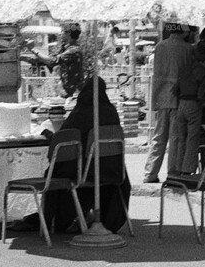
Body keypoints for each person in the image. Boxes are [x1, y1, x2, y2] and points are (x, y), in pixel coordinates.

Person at [14, 77, 131, 235]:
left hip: (83, 173)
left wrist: (47, 133)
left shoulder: (79, 114)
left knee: (57, 171)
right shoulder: (111, 113)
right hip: (112, 172)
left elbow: (63, 140)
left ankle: (56, 219)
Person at [143, 23, 195, 183]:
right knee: (175, 139)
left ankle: (150, 173)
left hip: (161, 96)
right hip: (178, 97)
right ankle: (173, 173)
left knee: (159, 137)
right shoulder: (188, 49)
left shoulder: (159, 46)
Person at [168, 42, 205, 176]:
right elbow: (201, 96)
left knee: (181, 139)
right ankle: (188, 171)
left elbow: (175, 90)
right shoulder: (204, 73)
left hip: (181, 104)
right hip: (193, 106)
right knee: (192, 139)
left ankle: (178, 168)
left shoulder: (184, 69)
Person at [21, 23, 86, 97]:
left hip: (75, 94)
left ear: (69, 34)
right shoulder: (65, 48)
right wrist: (24, 58)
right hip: (68, 92)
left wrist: (33, 49)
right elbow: (45, 60)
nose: (60, 34)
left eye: (62, 31)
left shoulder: (74, 51)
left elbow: (51, 61)